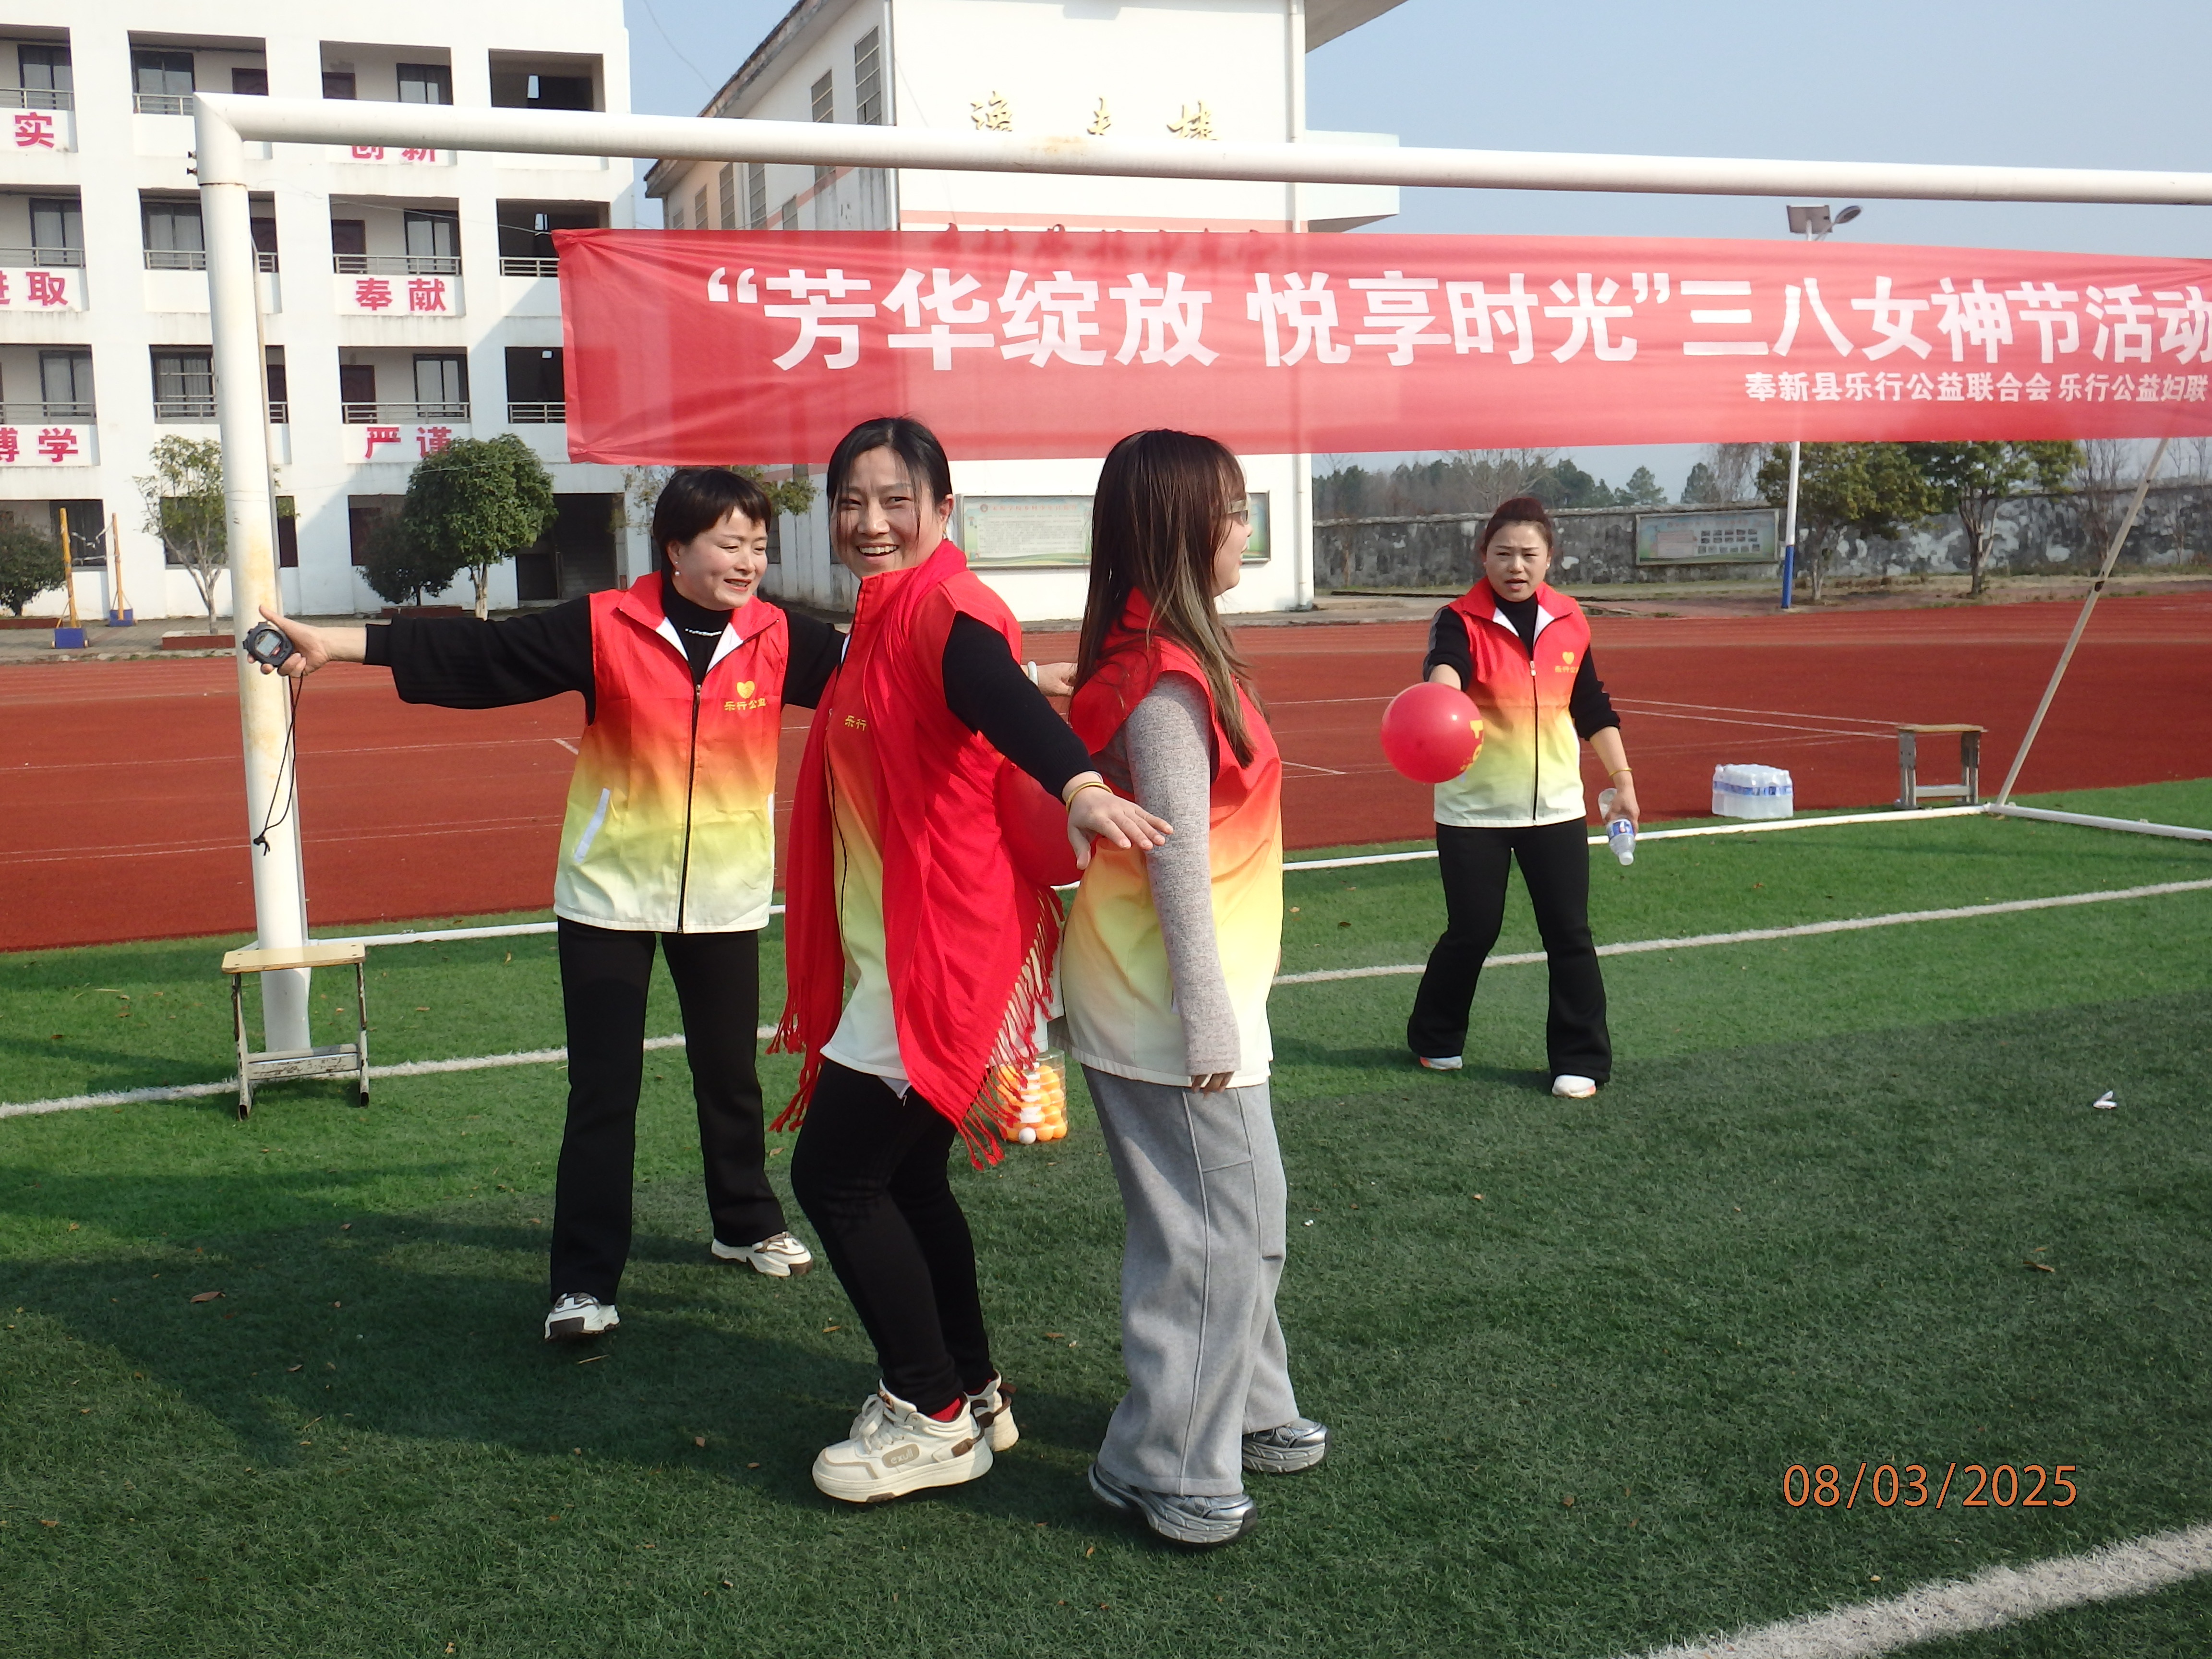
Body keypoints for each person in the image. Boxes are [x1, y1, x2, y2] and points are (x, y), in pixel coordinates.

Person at [255, 468, 841, 1340]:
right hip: (607, 895)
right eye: (729, 544)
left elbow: (893, 680)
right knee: (603, 1089)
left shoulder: (782, 637)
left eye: (758, 545)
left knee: (729, 1075)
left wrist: (1018, 679)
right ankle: (584, 1282)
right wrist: (342, 646)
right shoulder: (605, 624)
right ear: (675, 549)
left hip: (725, 893)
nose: (748, 562)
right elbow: (485, 656)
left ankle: (745, 1220)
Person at [773, 415, 1169, 1505]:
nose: (870, 521)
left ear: (942, 510)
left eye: (896, 500)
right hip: (909, 948)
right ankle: (974, 1388)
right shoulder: (877, 618)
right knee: (904, 1176)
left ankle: (930, 1413)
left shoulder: (941, 609)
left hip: (941, 958)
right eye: (851, 501)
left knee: (836, 1177)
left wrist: (1078, 782)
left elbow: (997, 694)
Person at [1060, 430, 1325, 1548]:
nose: (1245, 532)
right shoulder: (1161, 678)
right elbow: (1174, 858)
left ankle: (1247, 1404)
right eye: (1232, 512)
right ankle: (1157, 1462)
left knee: (1246, 1215)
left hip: (1195, 994)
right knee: (1209, 1235)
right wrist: (1209, 1018)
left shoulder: (1182, 654)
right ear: (1180, 529)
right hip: (1163, 1002)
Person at [1405, 494, 1637, 1097]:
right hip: (1474, 810)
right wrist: (1441, 697)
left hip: (1557, 807)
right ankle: (1436, 1036)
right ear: (1482, 555)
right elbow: (1445, 667)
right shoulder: (1458, 620)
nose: (1516, 566)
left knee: (1569, 933)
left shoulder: (1570, 620)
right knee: (1472, 930)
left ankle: (1580, 1060)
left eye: (1529, 555)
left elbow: (1591, 704)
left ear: (1549, 557)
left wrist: (1622, 779)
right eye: (1504, 553)